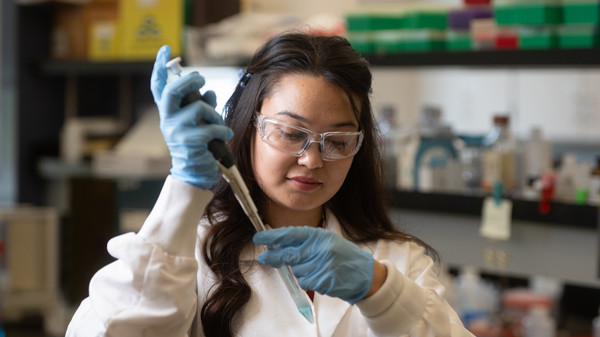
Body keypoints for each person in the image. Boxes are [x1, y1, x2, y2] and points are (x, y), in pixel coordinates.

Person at [66, 32, 474, 337]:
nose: (312, 159)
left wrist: (380, 291)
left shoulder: (396, 261)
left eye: (338, 141)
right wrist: (184, 187)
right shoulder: (187, 251)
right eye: (290, 133)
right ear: (248, 129)